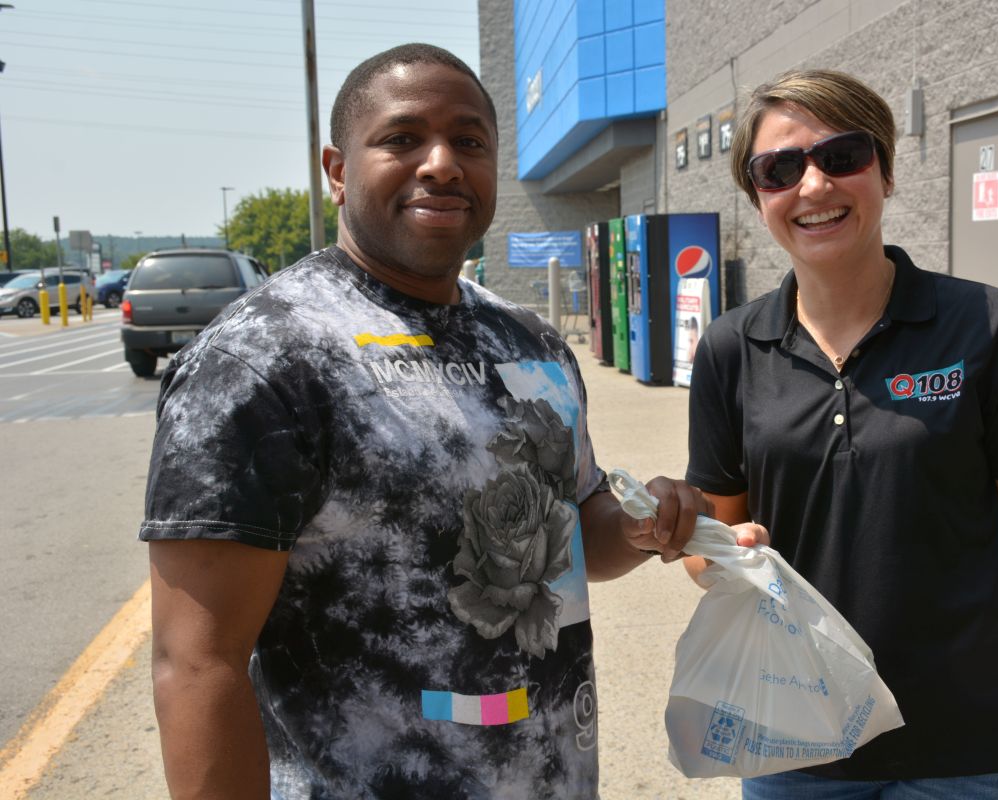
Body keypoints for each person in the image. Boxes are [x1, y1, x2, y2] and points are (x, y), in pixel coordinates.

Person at [141, 43, 730, 799]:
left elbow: (575, 535)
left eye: (469, 141)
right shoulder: (264, 360)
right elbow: (197, 663)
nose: (443, 164)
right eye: (403, 138)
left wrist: (644, 524)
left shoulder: (532, 343)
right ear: (337, 170)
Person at [684, 69, 998, 800]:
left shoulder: (989, 328)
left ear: (884, 171)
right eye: (779, 169)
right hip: (798, 748)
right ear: (757, 197)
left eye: (842, 156)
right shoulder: (730, 349)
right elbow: (712, 547)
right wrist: (720, 552)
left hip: (975, 754)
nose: (814, 185)